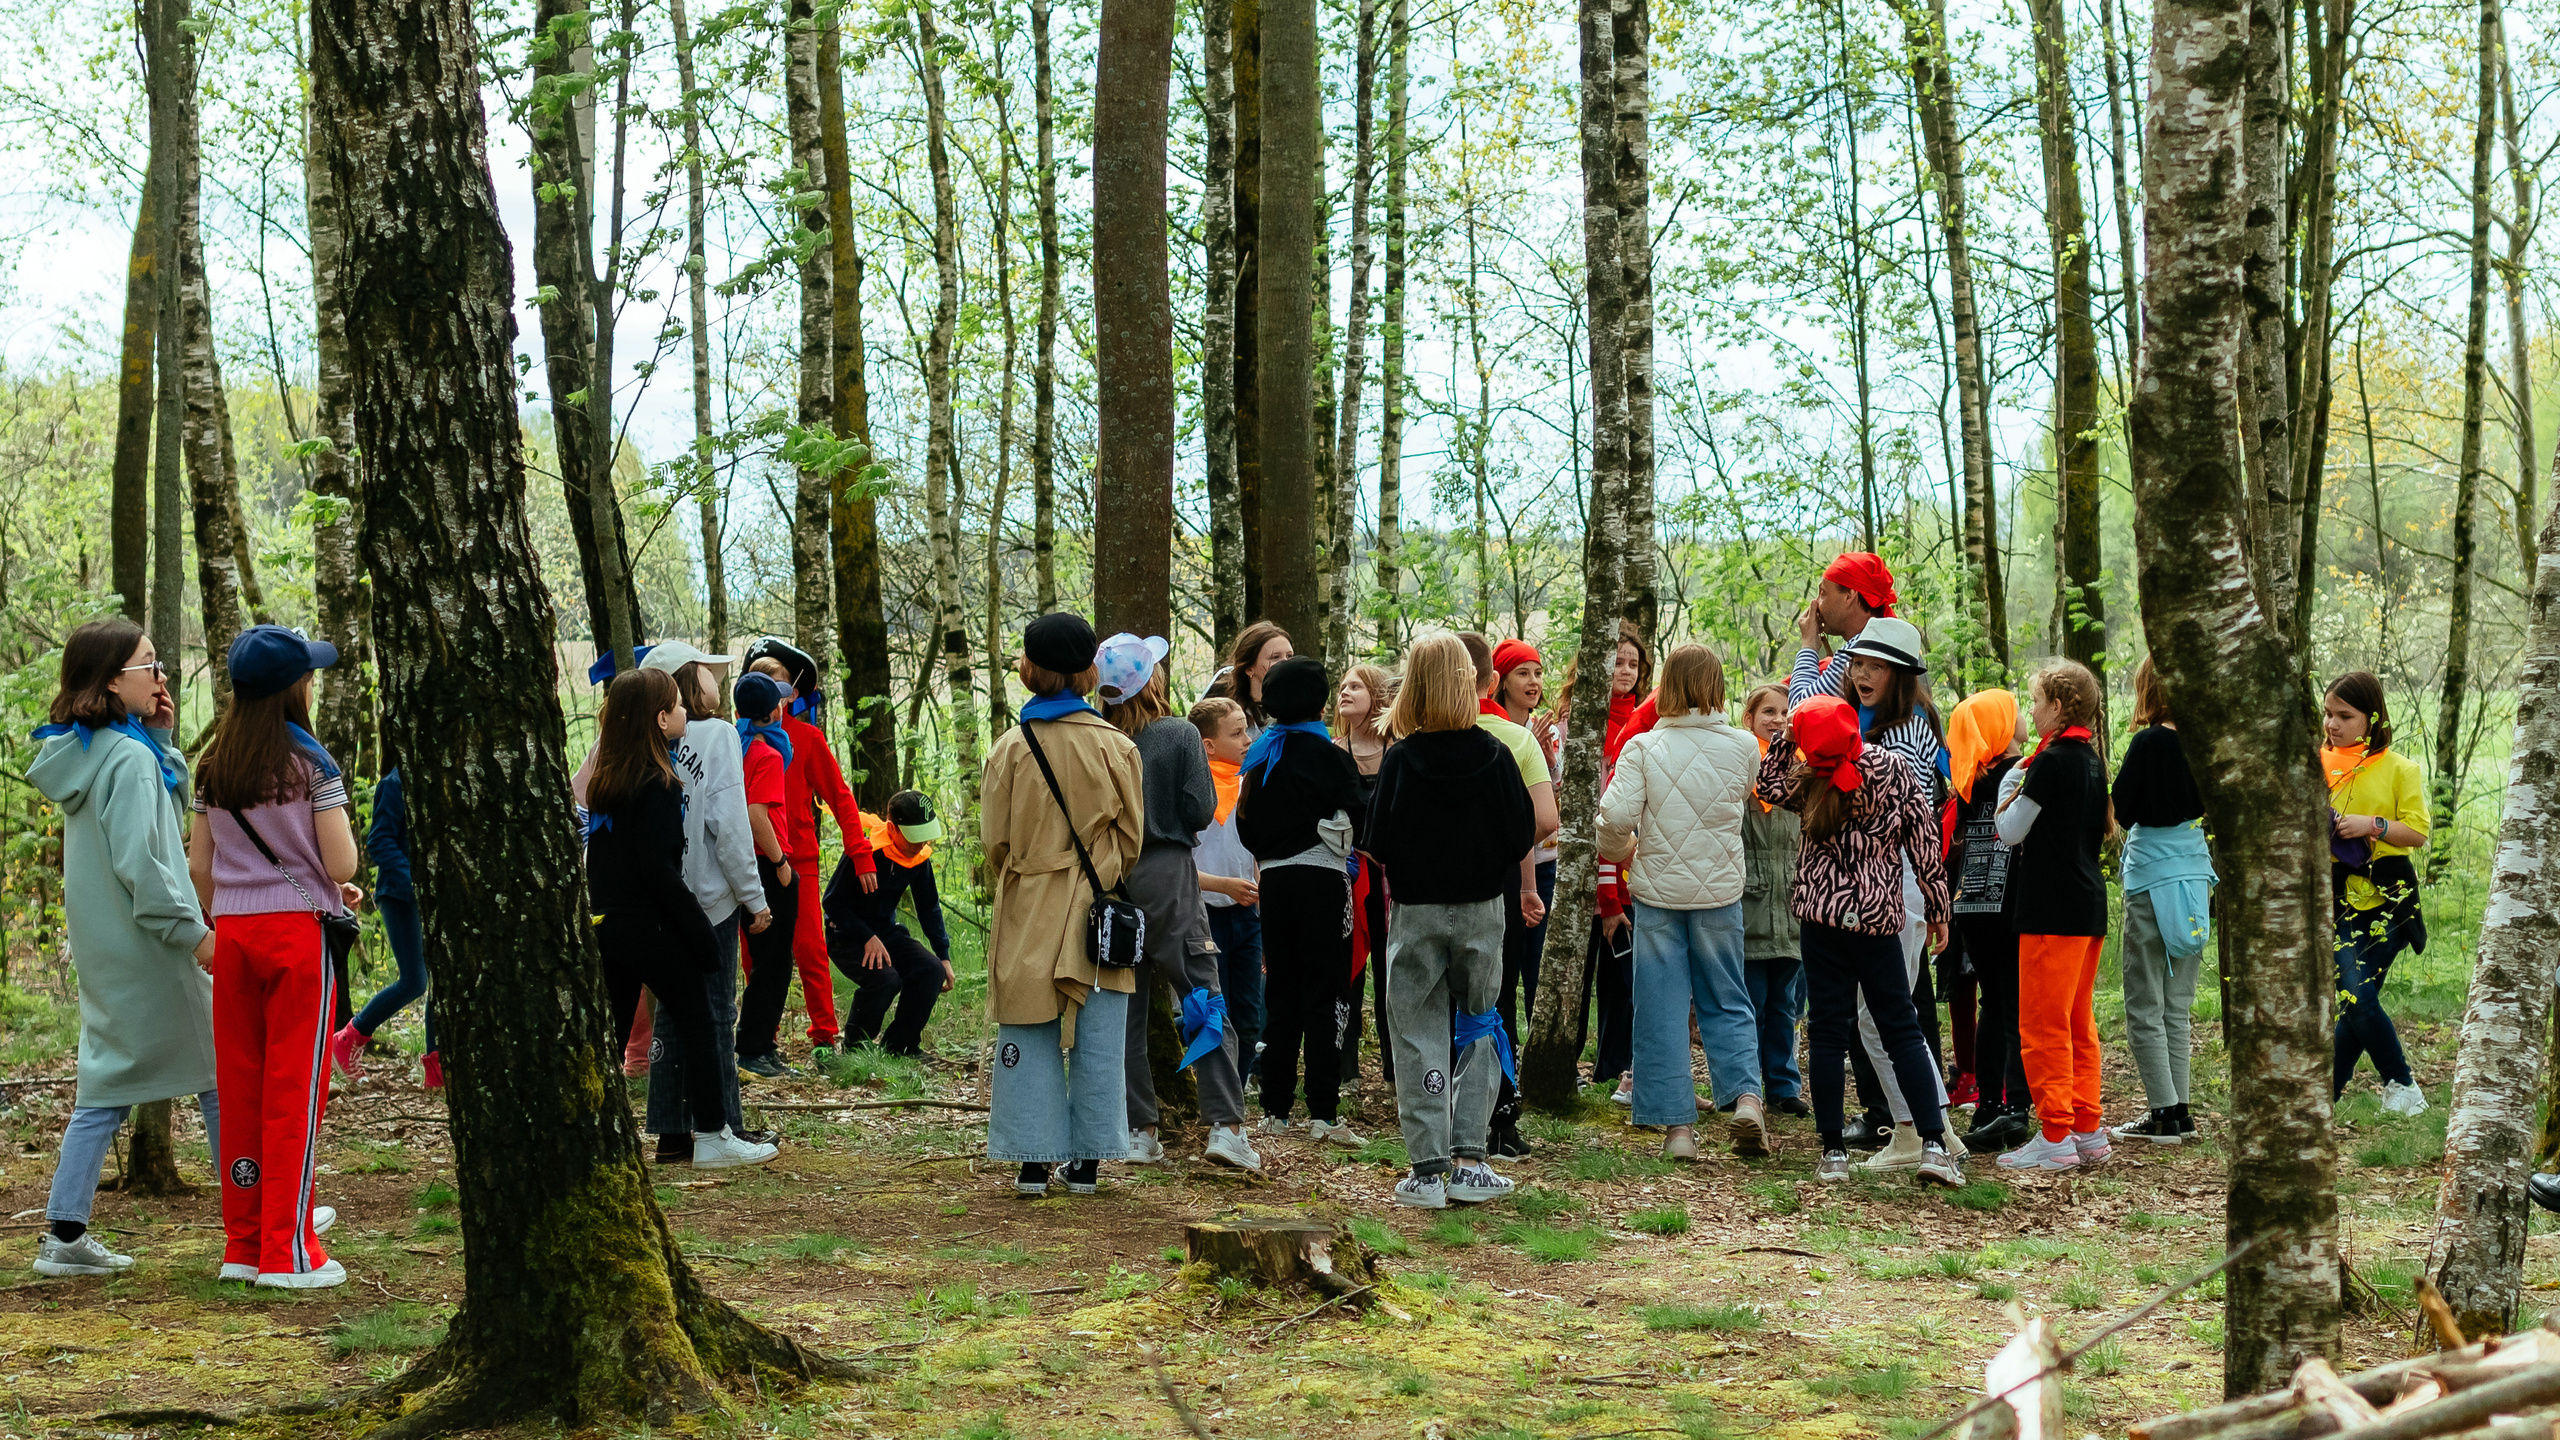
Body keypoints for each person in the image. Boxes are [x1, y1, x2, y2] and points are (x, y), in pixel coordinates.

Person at [27, 620, 222, 1278]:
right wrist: (196, 937)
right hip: (157, 948)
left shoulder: (93, 751)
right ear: (113, 679)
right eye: (149, 664)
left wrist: (163, 737)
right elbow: (148, 864)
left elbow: (145, 829)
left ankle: (63, 1236)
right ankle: (264, 1216)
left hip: (110, 949)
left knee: (105, 1087)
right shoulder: (130, 760)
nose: (161, 674)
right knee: (222, 1073)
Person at [188, 624, 363, 1289]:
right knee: (294, 1088)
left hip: (232, 938)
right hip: (295, 938)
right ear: (295, 687)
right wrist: (326, 882)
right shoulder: (310, 764)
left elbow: (201, 870)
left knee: (240, 1086)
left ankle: (244, 1242)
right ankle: (288, 1255)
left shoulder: (213, 765)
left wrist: (229, 910)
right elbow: (341, 858)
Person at [1755, 695, 1962, 1188]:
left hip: (1822, 921)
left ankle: (1833, 1153)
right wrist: (1937, 908)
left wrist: (1788, 741)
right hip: (1877, 920)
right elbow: (1924, 841)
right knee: (1901, 1028)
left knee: (1827, 1030)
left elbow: (1764, 785)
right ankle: (1933, 1144)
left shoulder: (1806, 779)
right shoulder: (1893, 770)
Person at [585, 667, 777, 1171]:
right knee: (700, 1020)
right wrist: (698, 933)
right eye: (677, 706)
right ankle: (714, 1134)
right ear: (659, 718)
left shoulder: (607, 782)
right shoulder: (660, 783)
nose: (686, 714)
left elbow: (601, 865)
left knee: (610, 1034)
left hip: (611, 927)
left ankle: (590, 1135)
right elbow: (659, 871)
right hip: (652, 927)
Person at [1367, 631, 1533, 1208]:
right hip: (1484, 910)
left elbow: (1378, 841)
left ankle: (1427, 1168)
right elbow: (1521, 834)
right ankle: (1471, 1159)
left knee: (1415, 1031)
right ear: (1472, 683)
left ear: (1411, 687)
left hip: (1415, 912)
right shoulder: (1496, 757)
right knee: (1481, 1022)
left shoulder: (1401, 760)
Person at [984, 612, 1146, 1196]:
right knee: (1101, 1032)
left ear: (1029, 669)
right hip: (1098, 908)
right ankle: (1088, 1163)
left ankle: (1032, 1160)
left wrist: (1029, 872)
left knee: (1028, 1027)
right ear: (1086, 673)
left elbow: (995, 841)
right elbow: (1131, 842)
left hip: (1030, 901)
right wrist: (1095, 873)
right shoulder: (1118, 748)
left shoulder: (1010, 747)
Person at [1095, 635, 1264, 1171]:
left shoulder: (1097, 737)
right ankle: (1225, 1126)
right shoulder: (1177, 733)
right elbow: (1198, 809)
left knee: (1127, 1005)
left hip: (1109, 877)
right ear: (1153, 681)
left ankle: (1138, 1129)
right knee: (1202, 995)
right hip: (1168, 872)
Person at [1596, 645, 1767, 1159]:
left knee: (1660, 1008)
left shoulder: (1643, 748)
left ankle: (1678, 1133)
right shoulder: (1743, 746)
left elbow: (1612, 819)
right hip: (1719, 893)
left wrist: (1622, 852)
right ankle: (1747, 1099)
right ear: (1715, 687)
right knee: (1728, 997)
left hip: (1658, 896)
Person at [1829, 616, 1956, 1172]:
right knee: (1884, 1014)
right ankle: (1934, 1129)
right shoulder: (1888, 723)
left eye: (1875, 665)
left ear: (1901, 674)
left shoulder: (1902, 735)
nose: (1861, 674)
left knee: (1882, 1016)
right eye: (1858, 663)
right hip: (1888, 880)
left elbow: (1892, 816)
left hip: (1896, 878)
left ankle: (1916, 1133)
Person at [644, 647, 775, 1164]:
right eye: (704, 668)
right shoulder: (718, 735)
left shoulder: (650, 737)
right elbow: (729, 824)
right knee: (717, 1010)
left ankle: (673, 1131)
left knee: (674, 1012)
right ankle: (721, 1127)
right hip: (712, 899)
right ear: (685, 681)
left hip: (664, 896)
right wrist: (755, 897)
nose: (714, 676)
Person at [1237, 655, 1368, 1146]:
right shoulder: (1330, 756)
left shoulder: (1260, 759)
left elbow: (1246, 828)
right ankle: (1324, 1112)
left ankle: (1274, 1109)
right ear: (1321, 702)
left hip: (1274, 885)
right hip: (1323, 882)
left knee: (1283, 988)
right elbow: (1362, 814)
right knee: (1327, 989)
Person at [1992, 661, 2114, 1173]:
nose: (2031, 708)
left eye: (2037, 699)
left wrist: (2007, 785)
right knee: (2077, 1022)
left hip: (2050, 910)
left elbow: (2010, 831)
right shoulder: (2091, 760)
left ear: (2059, 707)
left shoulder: (2049, 762)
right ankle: (2087, 1127)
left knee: (2042, 1025)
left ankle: (2056, 1135)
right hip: (2088, 908)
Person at [742, 637, 876, 1069]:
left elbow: (840, 798)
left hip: (797, 860)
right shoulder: (736, 741)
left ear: (792, 694)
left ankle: (824, 1035)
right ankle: (764, 1036)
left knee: (809, 948)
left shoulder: (806, 738)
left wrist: (861, 853)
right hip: (749, 862)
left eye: (779, 687)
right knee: (755, 953)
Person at [1458, 632, 1560, 1158]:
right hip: (1493, 885)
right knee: (1495, 998)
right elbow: (1543, 820)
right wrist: (1519, 877)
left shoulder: (1411, 733)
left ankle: (1439, 1121)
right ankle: (1498, 1121)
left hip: (1428, 889)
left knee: (1436, 1002)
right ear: (1493, 680)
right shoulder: (1515, 740)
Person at [2322, 670, 2431, 1115]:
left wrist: (2373, 825)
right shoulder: (2317, 766)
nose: (2332, 724)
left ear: (2371, 718)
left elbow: (2418, 832)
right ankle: (2332, 1093)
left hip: (2391, 901)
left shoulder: (2401, 768)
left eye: (2344, 716)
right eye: (2327, 714)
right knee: (2355, 999)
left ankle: (2400, 1084)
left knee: (2357, 997)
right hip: (2338, 900)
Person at [2114, 659, 2213, 1142]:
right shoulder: (2206, 741)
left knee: (2143, 1001)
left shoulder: (2151, 743)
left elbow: (2124, 806)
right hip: (2196, 874)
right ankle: (2179, 1111)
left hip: (2152, 877)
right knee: (2178, 1004)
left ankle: (2161, 1113)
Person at [1943, 689, 2033, 1153]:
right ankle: (2013, 1104)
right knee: (2012, 1005)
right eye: (2013, 711)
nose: (2022, 716)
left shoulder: (1969, 781)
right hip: (2009, 904)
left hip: (1971, 908)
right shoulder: (2017, 775)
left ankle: (1989, 1103)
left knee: (1994, 1004)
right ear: (1998, 727)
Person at [329, 765, 439, 1088]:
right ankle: (348, 1038)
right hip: (398, 895)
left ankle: (436, 1069)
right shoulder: (395, 783)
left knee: (436, 979)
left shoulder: (433, 777)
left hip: (426, 895)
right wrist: (415, 881)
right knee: (414, 981)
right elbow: (378, 841)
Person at [823, 790, 953, 1056]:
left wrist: (943, 955)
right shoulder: (864, 851)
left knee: (931, 971)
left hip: (886, 932)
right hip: (847, 934)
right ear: (892, 829)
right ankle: (855, 1047)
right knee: (886, 979)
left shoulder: (918, 858)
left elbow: (928, 907)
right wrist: (866, 937)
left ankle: (900, 1045)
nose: (921, 843)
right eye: (914, 836)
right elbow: (832, 902)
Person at [1738, 683, 1808, 1119]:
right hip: (1750, 902)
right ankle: (1747, 1086)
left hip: (1793, 904)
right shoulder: (1743, 771)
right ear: (1749, 719)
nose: (1778, 719)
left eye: (1785, 712)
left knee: (1786, 1004)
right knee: (1751, 1004)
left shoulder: (1802, 770)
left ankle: (1783, 1085)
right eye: (1768, 711)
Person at [731, 672, 802, 1078]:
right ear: (772, 711)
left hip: (743, 862)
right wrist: (780, 864)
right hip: (767, 863)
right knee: (775, 962)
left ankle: (762, 1045)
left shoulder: (735, 745)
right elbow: (757, 812)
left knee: (765, 959)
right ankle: (755, 1048)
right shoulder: (768, 754)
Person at [1191, 696, 1265, 1069]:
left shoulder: (1249, 783)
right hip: (1206, 918)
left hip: (1248, 917)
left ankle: (1239, 1083)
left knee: (1250, 1010)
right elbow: (1181, 870)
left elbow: (1251, 853)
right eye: (1236, 734)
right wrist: (1224, 886)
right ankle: (1217, 1093)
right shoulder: (1192, 792)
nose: (1247, 740)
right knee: (1216, 1009)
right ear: (1208, 745)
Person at [1335, 663, 1395, 1087]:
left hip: (1393, 879)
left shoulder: (1399, 750)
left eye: (1355, 685)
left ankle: (1396, 1067)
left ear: (1377, 696)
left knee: (1394, 971)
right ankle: (1345, 1067)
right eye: (1342, 686)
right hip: (1348, 876)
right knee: (1347, 970)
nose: (1345, 692)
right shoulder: (1334, 751)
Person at [1208, 621, 1295, 736]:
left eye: (1289, 656)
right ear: (1249, 668)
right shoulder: (1222, 706)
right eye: (1275, 657)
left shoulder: (1301, 708)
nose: (1286, 663)